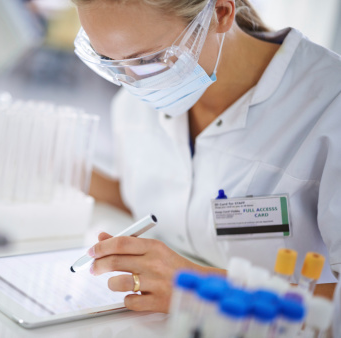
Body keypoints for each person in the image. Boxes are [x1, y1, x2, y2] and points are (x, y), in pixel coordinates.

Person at [72, 0, 341, 313]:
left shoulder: (330, 105)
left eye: (152, 59)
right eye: (109, 61)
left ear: (220, 14)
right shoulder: (136, 99)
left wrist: (199, 289)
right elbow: (163, 198)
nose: (134, 82)